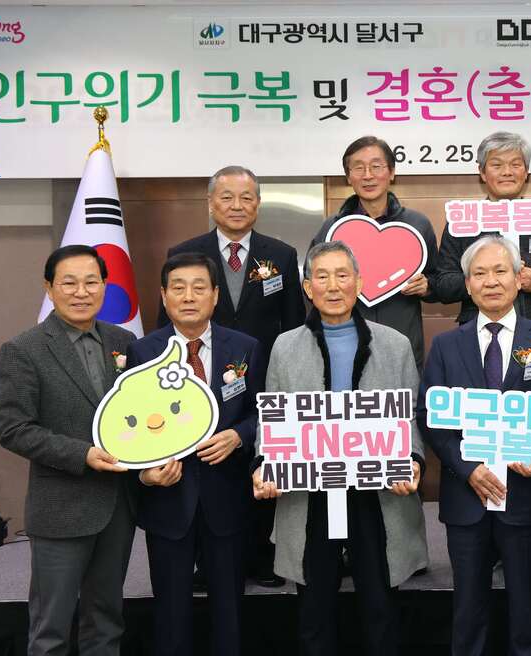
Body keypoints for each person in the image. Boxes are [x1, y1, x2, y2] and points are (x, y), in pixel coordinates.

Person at [252, 241, 428, 656]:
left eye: (342, 275)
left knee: (380, 600)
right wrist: (264, 463)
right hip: (310, 490)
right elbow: (271, 418)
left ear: (359, 283)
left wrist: (413, 460)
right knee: (314, 606)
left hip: (376, 489)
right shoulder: (285, 346)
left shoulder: (395, 344)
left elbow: (409, 416)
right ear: (307, 288)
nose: (333, 286)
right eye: (322, 277)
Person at [420, 235, 531, 656]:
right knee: (468, 611)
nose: (491, 281)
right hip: (465, 496)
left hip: (525, 494)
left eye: (500, 271)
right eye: (480, 273)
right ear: (468, 285)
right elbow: (430, 416)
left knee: (527, 609)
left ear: (519, 277)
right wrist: (467, 469)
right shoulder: (446, 345)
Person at [160, 165, 306, 587]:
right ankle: (206, 561)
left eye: (246, 197)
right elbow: (165, 322)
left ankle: (259, 556)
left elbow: (294, 323)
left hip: (264, 376)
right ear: (211, 204)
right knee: (206, 465)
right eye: (226, 197)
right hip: (199, 375)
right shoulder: (185, 253)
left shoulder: (281, 255)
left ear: (258, 203)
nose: (237, 205)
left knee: (259, 458)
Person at [0, 245, 137, 656]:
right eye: (69, 282)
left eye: (91, 282)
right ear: (49, 288)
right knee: (50, 629)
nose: (81, 292)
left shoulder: (124, 340)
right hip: (60, 509)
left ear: (105, 286)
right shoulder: (23, 349)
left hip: (117, 508)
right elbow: (13, 429)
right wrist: (82, 454)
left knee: (106, 622)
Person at [127, 253, 263, 656]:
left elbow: (262, 412)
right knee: (171, 614)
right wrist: (145, 472)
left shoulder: (246, 347)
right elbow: (129, 425)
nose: (189, 297)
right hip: (168, 500)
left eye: (199, 287)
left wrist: (238, 436)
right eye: (179, 288)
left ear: (215, 295)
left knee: (229, 610)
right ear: (164, 296)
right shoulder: (142, 352)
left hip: (227, 497)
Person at [311, 135, 439, 369]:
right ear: (348, 176)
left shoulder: (417, 225)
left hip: (402, 340)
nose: (368, 175)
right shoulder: (332, 228)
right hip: (345, 342)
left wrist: (427, 286)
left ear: (391, 172)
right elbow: (311, 282)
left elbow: (436, 279)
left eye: (376, 166)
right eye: (358, 168)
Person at [430, 131, 531, 328]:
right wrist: (482, 277)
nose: (507, 172)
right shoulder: (463, 221)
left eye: (515, 165)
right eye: (497, 165)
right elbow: (443, 285)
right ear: (482, 172)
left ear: (526, 172)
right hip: (476, 330)